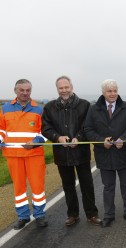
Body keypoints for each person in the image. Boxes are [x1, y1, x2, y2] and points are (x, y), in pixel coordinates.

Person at [41, 76, 102, 226]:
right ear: (57, 89)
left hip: (81, 152)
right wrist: (57, 138)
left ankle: (92, 214)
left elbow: (88, 125)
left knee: (87, 184)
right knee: (68, 186)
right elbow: (45, 128)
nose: (64, 90)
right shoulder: (49, 107)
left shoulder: (84, 105)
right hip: (62, 154)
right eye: (61, 88)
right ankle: (72, 215)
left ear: (72, 87)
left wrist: (79, 138)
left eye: (66, 87)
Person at [84, 79, 126, 227]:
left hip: (124, 153)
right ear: (103, 92)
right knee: (108, 187)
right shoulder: (94, 109)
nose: (113, 93)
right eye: (109, 91)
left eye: (115, 90)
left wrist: (125, 139)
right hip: (104, 154)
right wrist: (101, 141)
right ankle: (109, 215)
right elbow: (88, 130)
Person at [0, 79, 48, 229]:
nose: (25, 93)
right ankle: (23, 217)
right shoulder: (5, 108)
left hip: (34, 154)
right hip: (13, 155)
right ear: (15, 90)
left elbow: (45, 132)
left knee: (37, 186)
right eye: (22, 90)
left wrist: (36, 140)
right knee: (19, 188)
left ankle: (39, 215)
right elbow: (1, 129)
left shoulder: (39, 109)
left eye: (28, 90)